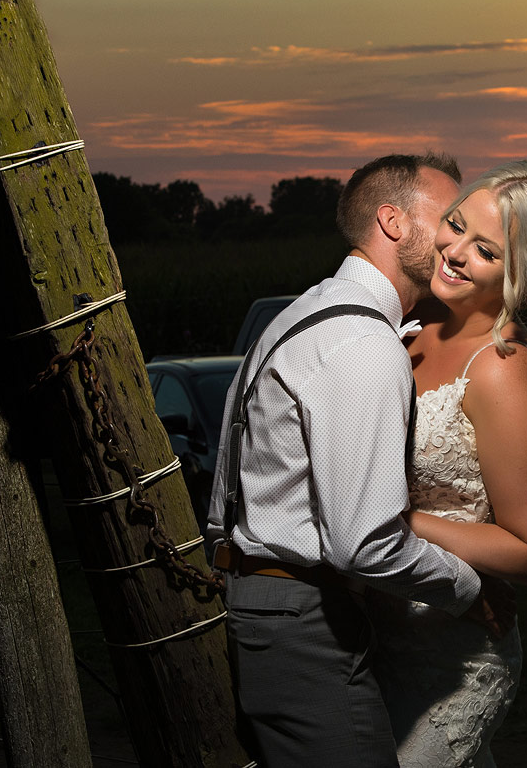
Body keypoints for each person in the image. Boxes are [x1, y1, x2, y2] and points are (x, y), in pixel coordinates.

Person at [206, 153, 493, 768]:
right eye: (449, 220)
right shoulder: (361, 342)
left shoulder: (311, 313)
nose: (455, 240)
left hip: (273, 603)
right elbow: (364, 543)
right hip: (304, 622)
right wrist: (467, 589)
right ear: (392, 222)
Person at [367, 159, 527, 767]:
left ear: (525, 276)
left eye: (485, 250)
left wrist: (394, 521)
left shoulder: (503, 367)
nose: (454, 251)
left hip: (450, 653)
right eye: (456, 224)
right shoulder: (410, 330)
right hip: (373, 629)